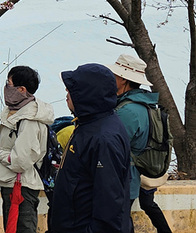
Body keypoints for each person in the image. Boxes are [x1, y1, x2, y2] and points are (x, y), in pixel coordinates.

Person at [50, 63, 132, 232]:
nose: (66, 93)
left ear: (87, 93)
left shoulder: (104, 138)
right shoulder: (88, 124)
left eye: (71, 89)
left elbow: (109, 205)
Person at [0, 66, 54, 233]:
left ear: (21, 90)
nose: (5, 87)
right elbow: (8, 144)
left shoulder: (29, 120)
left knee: (21, 229)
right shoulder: (14, 112)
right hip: (10, 182)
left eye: (9, 83)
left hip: (22, 186)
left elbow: (20, 160)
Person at [109, 53, 172, 233]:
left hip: (125, 178)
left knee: (118, 224)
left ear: (123, 79)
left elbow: (114, 146)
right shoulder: (143, 104)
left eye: (115, 75)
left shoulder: (128, 111)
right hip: (135, 175)